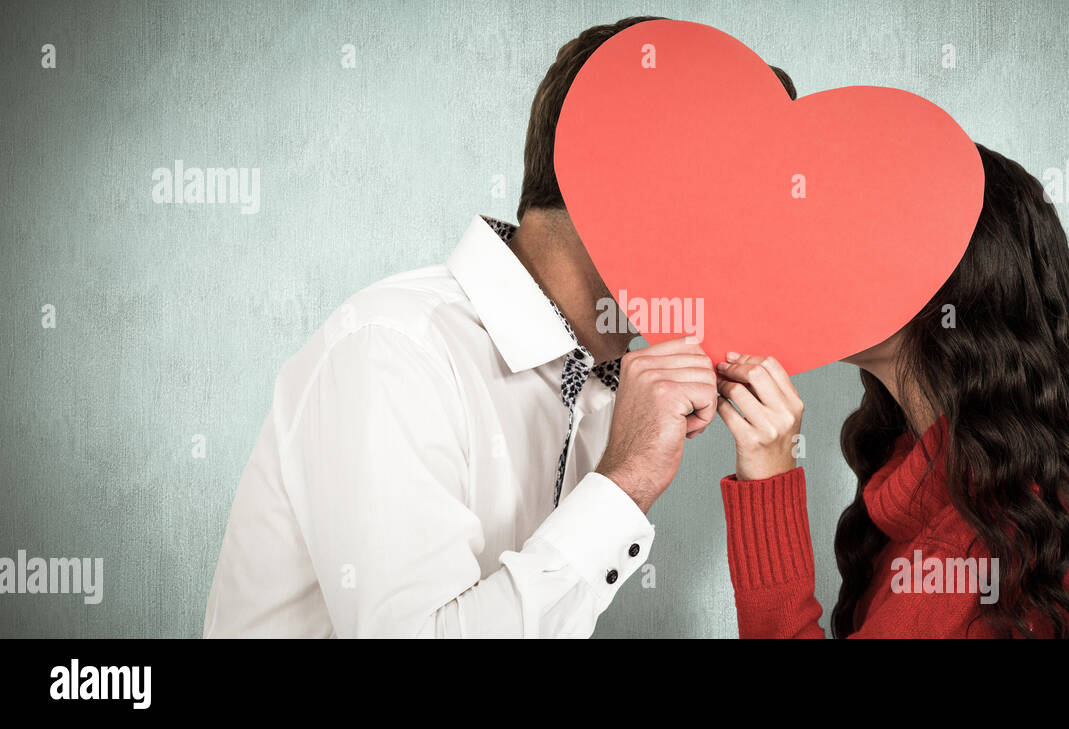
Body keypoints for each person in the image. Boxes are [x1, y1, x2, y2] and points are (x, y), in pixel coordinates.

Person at [203, 17, 797, 637]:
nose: (749, 244)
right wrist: (625, 482)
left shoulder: (605, 384)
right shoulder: (393, 351)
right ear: (617, 174)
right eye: (730, 195)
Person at [713, 144, 1069, 638]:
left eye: (857, 235)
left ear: (949, 285)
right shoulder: (936, 489)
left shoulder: (978, 556)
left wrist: (767, 484)